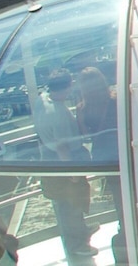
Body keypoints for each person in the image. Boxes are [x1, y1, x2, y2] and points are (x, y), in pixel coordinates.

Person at [32, 69, 97, 260]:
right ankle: (77, 245)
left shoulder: (42, 99)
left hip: (52, 163)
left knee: (68, 205)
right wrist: (72, 172)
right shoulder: (57, 113)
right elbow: (62, 148)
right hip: (64, 166)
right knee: (70, 206)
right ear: (68, 86)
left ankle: (82, 231)